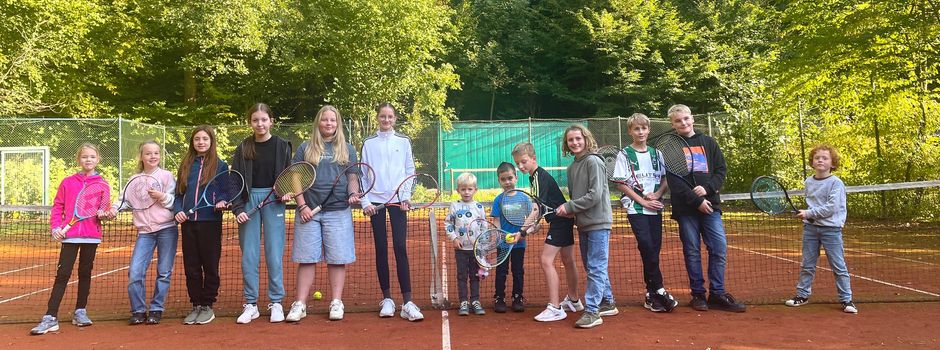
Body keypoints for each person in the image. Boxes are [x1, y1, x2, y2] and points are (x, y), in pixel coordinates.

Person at [665, 104, 746, 313]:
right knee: (692, 251)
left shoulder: (708, 142)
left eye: (685, 118)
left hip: (711, 207)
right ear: (672, 124)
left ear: (692, 118)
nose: (683, 123)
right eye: (678, 120)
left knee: (718, 248)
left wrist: (708, 189)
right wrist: (696, 200)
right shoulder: (670, 148)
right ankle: (698, 295)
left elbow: (721, 170)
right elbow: (674, 181)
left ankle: (717, 293)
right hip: (686, 210)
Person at [285, 105, 361, 322]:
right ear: (318, 123)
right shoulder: (306, 148)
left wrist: (353, 194)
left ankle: (336, 302)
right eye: (325, 120)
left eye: (333, 120)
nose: (329, 123)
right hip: (309, 211)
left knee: (337, 259)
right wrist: (301, 206)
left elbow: (352, 178)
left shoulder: (347, 149)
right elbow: (296, 178)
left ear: (338, 124)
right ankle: (300, 303)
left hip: (338, 211)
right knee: (306, 259)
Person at [30, 143, 112, 335]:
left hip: (91, 237)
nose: (88, 160)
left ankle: (80, 312)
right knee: (63, 274)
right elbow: (58, 206)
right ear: (79, 159)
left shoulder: (103, 184)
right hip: (70, 236)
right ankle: (50, 317)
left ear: (97, 159)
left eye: (92, 156)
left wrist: (104, 214)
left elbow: (104, 208)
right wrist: (56, 227)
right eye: (85, 157)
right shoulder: (68, 182)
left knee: (85, 273)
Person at [359, 103, 423, 321]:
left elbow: (409, 171)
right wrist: (365, 201)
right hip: (375, 202)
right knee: (381, 248)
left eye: (390, 117)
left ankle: (407, 302)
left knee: (400, 247)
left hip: (397, 202)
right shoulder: (368, 143)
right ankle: (387, 299)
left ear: (395, 119)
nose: (386, 120)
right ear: (377, 118)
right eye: (382, 116)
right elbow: (363, 174)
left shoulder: (403, 142)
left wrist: (405, 196)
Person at [231, 103, 293, 324]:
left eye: (264, 120)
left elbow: (290, 173)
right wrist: (237, 208)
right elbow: (235, 181)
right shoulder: (243, 148)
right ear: (250, 123)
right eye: (255, 120)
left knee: (274, 254)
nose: (260, 124)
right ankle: (251, 304)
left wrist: (286, 192)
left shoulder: (282, 145)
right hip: (248, 202)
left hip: (274, 201)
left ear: (271, 121)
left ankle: (276, 302)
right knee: (249, 255)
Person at [612, 113, 677, 313]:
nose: (640, 132)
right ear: (630, 131)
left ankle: (650, 294)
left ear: (649, 130)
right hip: (636, 209)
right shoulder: (624, 154)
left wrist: (657, 195)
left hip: (655, 209)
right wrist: (642, 201)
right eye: (636, 129)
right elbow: (621, 184)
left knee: (652, 251)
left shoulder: (657, 154)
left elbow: (666, 178)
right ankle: (659, 288)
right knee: (647, 246)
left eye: (643, 128)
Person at [512, 142, 583, 322]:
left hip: (560, 222)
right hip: (562, 221)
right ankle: (574, 300)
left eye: (524, 162)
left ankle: (555, 307)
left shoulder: (538, 177)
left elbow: (536, 209)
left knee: (546, 260)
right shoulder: (535, 177)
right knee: (568, 260)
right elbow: (543, 207)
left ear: (533, 159)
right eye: (518, 163)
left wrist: (521, 230)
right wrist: (534, 226)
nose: (521, 166)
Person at [108, 141, 177, 325]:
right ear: (141, 156)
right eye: (148, 153)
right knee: (135, 272)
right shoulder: (134, 179)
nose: (152, 156)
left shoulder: (167, 176)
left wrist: (162, 197)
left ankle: (156, 309)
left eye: (156, 153)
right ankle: (138, 311)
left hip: (167, 229)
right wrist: (114, 209)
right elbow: (123, 201)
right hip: (145, 232)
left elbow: (174, 201)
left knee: (164, 272)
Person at [555, 124, 615, 329]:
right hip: (583, 223)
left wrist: (569, 206)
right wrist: (570, 210)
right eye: (570, 140)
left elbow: (595, 195)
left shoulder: (593, 161)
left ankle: (592, 311)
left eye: (578, 139)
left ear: (586, 139)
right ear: (566, 144)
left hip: (599, 222)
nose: (575, 143)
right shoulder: (572, 167)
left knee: (596, 266)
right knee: (592, 266)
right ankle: (607, 301)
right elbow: (578, 197)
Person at [785, 145, 856, 313]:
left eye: (825, 158)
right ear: (812, 162)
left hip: (831, 230)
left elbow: (831, 208)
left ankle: (847, 300)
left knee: (838, 266)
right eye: (817, 158)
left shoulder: (836, 183)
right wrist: (808, 215)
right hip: (811, 229)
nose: (820, 160)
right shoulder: (809, 182)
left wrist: (808, 213)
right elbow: (813, 204)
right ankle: (802, 295)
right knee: (807, 265)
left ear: (832, 163)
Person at [173, 125, 231, 325]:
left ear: (211, 141)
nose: (201, 142)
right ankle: (196, 304)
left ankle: (207, 305)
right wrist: (178, 210)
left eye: (205, 139)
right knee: (192, 267)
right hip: (188, 223)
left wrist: (223, 201)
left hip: (210, 223)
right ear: (193, 142)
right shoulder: (186, 165)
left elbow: (226, 191)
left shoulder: (220, 166)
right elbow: (179, 194)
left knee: (210, 266)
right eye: (197, 139)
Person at [445, 173, 487, 316]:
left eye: (469, 189)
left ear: (475, 190)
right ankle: (463, 301)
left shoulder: (479, 207)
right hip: (461, 249)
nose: (466, 192)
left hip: (475, 250)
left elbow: (483, 227)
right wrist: (454, 239)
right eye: (463, 189)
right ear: (458, 190)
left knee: (475, 275)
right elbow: (448, 224)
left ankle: (475, 300)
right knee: (462, 275)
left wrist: (481, 245)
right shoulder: (454, 206)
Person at [490, 162, 527, 313]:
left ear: (516, 178)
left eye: (510, 178)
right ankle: (499, 298)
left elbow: (530, 219)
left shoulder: (523, 198)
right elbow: (496, 220)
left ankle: (517, 297)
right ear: (499, 180)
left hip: (519, 243)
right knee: (501, 271)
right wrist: (501, 235)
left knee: (518, 271)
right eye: (503, 179)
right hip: (503, 244)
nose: (507, 182)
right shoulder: (499, 200)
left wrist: (523, 234)